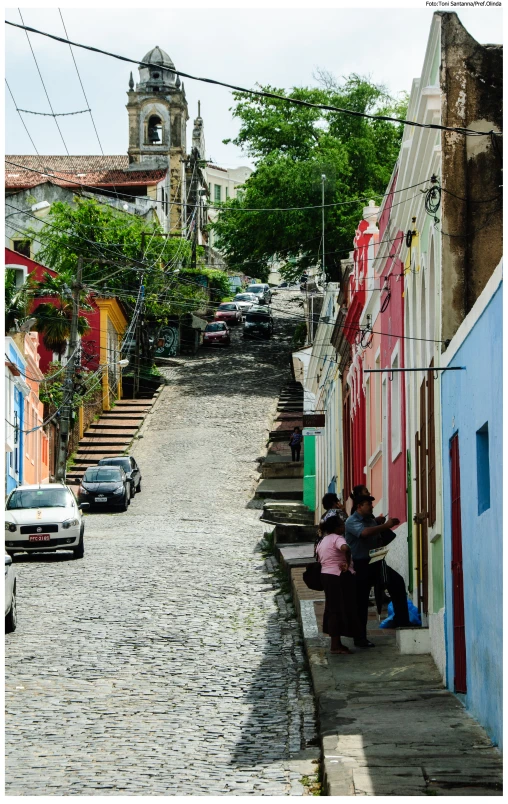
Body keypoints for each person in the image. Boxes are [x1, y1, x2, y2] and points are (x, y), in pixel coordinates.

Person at [345, 495, 411, 647]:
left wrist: (382, 528)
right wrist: (385, 526)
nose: (372, 507)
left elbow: (376, 536)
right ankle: (360, 638)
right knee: (360, 601)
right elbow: (364, 533)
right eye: (369, 504)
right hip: (360, 565)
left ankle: (402, 623)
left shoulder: (371, 520)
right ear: (359, 506)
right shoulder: (352, 521)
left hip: (376, 560)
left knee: (397, 582)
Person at [316, 515, 362, 654]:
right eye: (342, 524)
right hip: (337, 576)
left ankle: (336, 642)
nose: (344, 527)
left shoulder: (323, 540)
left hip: (325, 575)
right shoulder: (338, 538)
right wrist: (347, 563)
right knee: (338, 610)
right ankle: (335, 646)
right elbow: (345, 548)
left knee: (331, 609)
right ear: (337, 528)